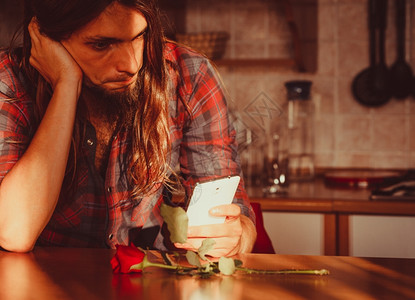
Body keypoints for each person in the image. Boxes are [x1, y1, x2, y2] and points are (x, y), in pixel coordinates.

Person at [0, 0, 256, 256]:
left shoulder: (189, 76)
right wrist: (66, 85)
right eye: (101, 44)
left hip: (150, 286)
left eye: (138, 37)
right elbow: (14, 232)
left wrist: (238, 237)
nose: (131, 65)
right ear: (47, 37)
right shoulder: (10, 80)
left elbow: (233, 216)